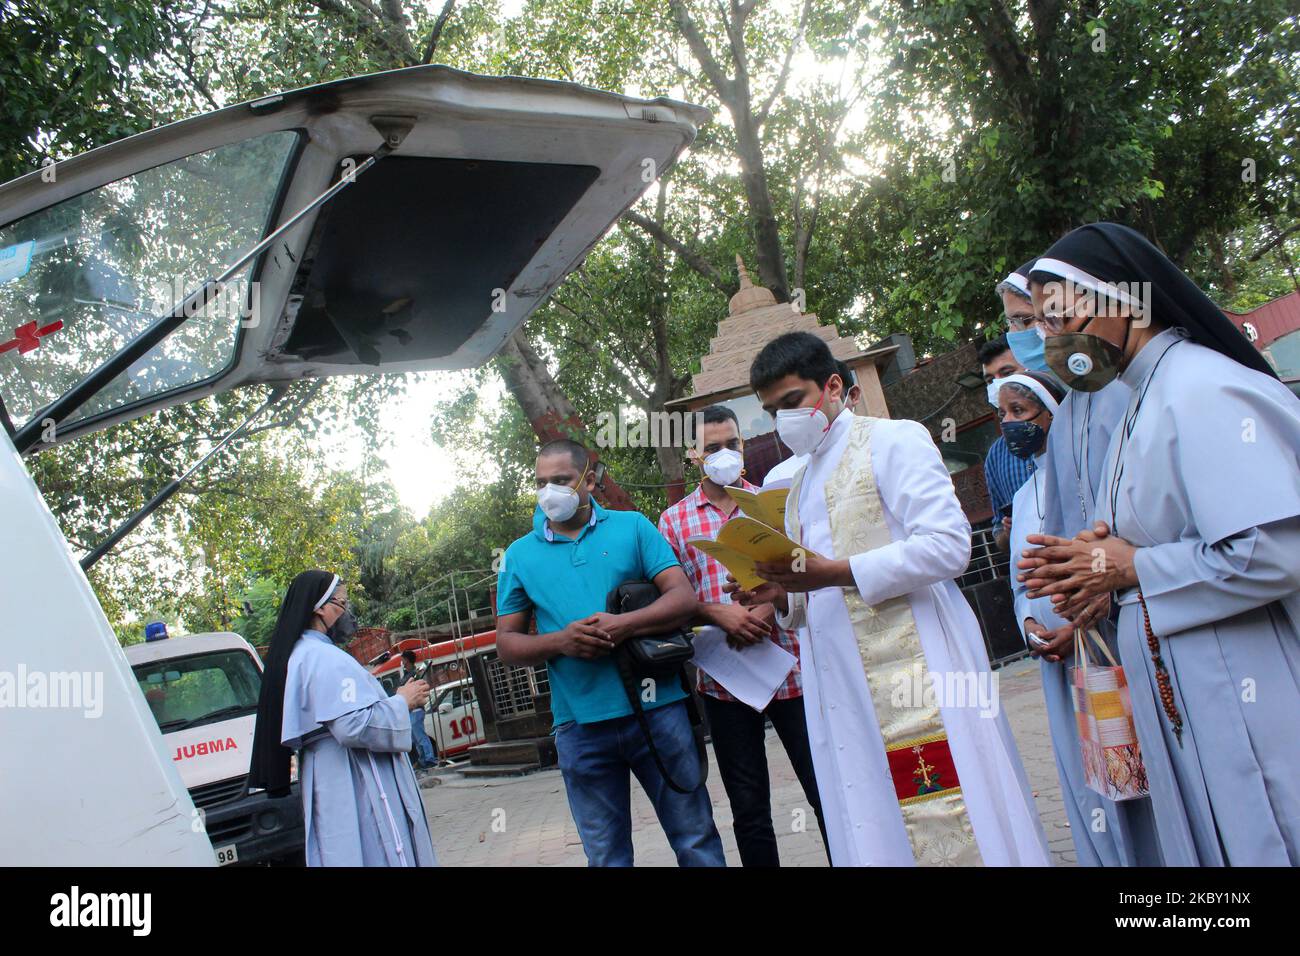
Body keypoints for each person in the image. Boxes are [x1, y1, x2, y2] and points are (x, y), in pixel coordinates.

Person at [1022, 222, 1300, 866]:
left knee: (1263, 828)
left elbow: (1275, 550)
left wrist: (1133, 566)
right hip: (1180, 670)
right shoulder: (1141, 395)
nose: (1050, 338)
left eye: (1061, 315)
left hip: (1234, 669)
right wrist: (1093, 567)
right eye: (1040, 323)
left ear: (1130, 303)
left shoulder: (1201, 389)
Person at [729, 331, 1050, 866]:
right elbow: (816, 589)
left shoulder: (894, 439)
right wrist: (780, 596)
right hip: (839, 672)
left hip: (915, 661)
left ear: (833, 386)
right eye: (772, 411)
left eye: (792, 402)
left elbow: (949, 548)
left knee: (953, 801)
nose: (783, 420)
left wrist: (835, 571)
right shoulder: (797, 481)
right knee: (868, 801)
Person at [495, 439, 725, 867]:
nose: (550, 491)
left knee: (695, 839)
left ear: (589, 478)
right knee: (606, 856)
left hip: (659, 710)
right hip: (579, 728)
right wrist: (560, 641)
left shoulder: (633, 527)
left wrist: (622, 626)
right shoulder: (518, 555)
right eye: (541, 482)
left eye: (561, 480)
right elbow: (507, 643)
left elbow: (683, 599)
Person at [996, 371, 1161, 867]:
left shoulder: (1090, 474)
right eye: (1003, 414)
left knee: (1130, 769)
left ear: (1053, 414)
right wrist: (1029, 623)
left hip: (1100, 648)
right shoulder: (1024, 496)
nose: (1007, 425)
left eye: (1018, 413)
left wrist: (1079, 627)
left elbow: (1102, 561)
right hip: (1053, 661)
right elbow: (1020, 581)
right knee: (1084, 770)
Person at [657, 404, 828, 866]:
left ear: (744, 444)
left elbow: (806, 572)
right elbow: (675, 601)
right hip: (725, 679)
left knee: (823, 789)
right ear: (694, 454)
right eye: (712, 447)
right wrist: (720, 617)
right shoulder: (672, 522)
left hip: (791, 665)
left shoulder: (776, 501)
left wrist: (773, 606)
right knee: (749, 807)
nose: (724, 454)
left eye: (731, 444)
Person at [249, 571, 437, 867]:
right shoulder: (320, 657)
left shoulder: (310, 654)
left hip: (334, 774)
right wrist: (402, 701)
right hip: (355, 778)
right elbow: (353, 725)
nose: (348, 612)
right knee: (372, 852)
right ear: (320, 608)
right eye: (343, 603)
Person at [763, 360, 861, 487]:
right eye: (774, 412)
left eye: (793, 401)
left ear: (853, 395)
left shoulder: (884, 444)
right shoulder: (779, 477)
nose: (786, 416)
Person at [978, 337, 1035, 526]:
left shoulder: (1072, 429)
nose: (998, 384)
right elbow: (998, 532)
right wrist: (1009, 531)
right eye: (990, 380)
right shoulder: (996, 455)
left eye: (1007, 373)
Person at [401, 650, 438, 770]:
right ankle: (423, 759)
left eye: (403, 659)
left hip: (416, 709)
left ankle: (429, 759)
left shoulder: (415, 674)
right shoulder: (408, 674)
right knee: (415, 738)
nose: (401, 662)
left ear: (406, 660)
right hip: (411, 710)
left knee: (420, 736)